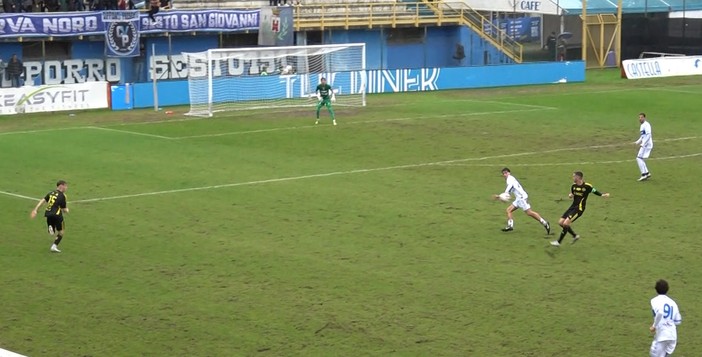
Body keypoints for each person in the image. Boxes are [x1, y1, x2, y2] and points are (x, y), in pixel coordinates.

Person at [550, 171, 609, 246]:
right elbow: (572, 194)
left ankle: (558, 242)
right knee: (560, 222)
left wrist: (602, 195)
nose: (573, 178)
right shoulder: (573, 186)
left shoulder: (587, 186)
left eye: (574, 176)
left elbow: (594, 191)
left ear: (578, 177)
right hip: (573, 207)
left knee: (565, 223)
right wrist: (570, 195)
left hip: (579, 209)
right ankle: (575, 236)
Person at [493, 168, 550, 234]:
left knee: (529, 212)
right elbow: (509, 194)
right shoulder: (511, 179)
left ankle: (545, 223)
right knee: (508, 210)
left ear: (509, 173)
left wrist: (503, 194)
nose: (505, 174)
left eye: (506, 173)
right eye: (503, 173)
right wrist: (501, 196)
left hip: (522, 197)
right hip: (518, 198)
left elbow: (509, 188)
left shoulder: (509, 179)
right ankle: (510, 226)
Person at [30, 180, 69, 253]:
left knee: (52, 230)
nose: (66, 188)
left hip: (48, 214)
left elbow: (43, 201)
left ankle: (51, 227)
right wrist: (67, 210)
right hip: (57, 215)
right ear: (61, 186)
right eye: (66, 186)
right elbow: (64, 209)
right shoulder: (63, 196)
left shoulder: (50, 193)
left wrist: (36, 209)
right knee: (61, 231)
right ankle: (54, 246)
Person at [649, 279, 682, 357]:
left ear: (656, 289)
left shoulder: (654, 301)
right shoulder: (673, 303)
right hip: (673, 336)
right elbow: (678, 321)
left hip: (662, 336)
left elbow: (660, 313)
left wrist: (654, 326)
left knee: (654, 354)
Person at [634, 112, 653, 181]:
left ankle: (644, 174)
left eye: (641, 117)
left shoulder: (647, 125)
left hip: (646, 145)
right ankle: (647, 173)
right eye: (639, 117)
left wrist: (643, 144)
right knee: (640, 158)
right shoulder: (642, 125)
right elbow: (643, 136)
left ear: (644, 118)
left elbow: (648, 135)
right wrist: (638, 141)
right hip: (645, 144)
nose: (640, 119)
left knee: (638, 158)